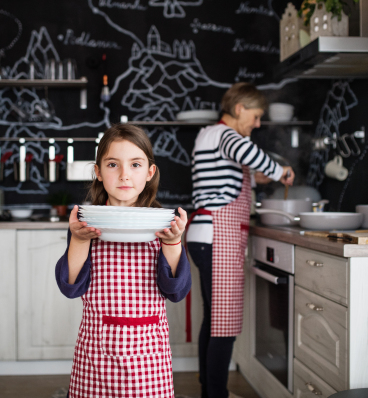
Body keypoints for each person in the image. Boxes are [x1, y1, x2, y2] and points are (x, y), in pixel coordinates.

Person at [55, 123, 193, 398]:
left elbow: (176, 292)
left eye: (135, 165)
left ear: (150, 172)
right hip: (97, 354)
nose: (124, 175)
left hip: (148, 357)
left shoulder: (163, 224)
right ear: (98, 172)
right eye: (113, 164)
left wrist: (173, 242)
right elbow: (70, 287)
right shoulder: (86, 224)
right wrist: (80, 241)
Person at [186, 82, 295, 398]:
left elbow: (224, 176)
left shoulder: (208, 136)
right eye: (257, 116)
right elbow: (252, 155)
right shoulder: (228, 136)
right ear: (239, 109)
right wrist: (280, 171)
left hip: (204, 236)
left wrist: (252, 177)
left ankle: (210, 389)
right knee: (225, 324)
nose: (258, 124)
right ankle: (216, 395)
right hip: (217, 236)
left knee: (214, 318)